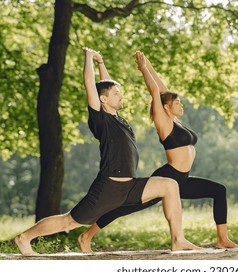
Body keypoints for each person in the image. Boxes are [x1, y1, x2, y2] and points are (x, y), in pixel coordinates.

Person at [14, 47, 199, 256]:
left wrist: (102, 63)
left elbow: (106, 86)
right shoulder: (101, 120)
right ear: (103, 100)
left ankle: (178, 239)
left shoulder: (118, 119)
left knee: (169, 185)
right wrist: (89, 58)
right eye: (116, 94)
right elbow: (91, 87)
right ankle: (24, 238)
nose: (121, 96)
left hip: (129, 185)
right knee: (70, 221)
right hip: (108, 188)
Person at [77, 51, 238, 253]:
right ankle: (86, 236)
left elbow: (163, 89)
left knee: (219, 190)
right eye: (177, 102)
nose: (181, 104)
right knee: (123, 207)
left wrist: (148, 64)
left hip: (183, 178)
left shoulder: (175, 120)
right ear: (166, 107)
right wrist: (143, 69)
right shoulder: (163, 120)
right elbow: (155, 92)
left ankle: (222, 239)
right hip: (168, 176)